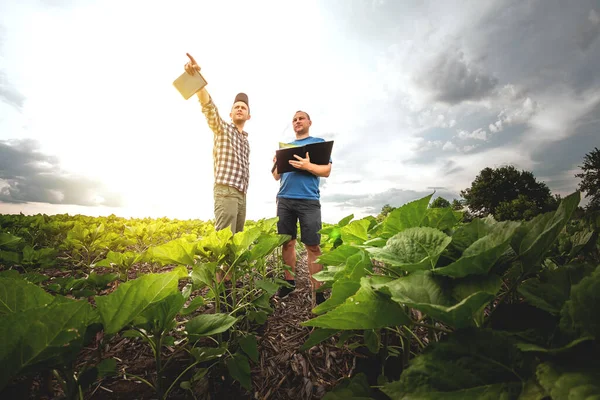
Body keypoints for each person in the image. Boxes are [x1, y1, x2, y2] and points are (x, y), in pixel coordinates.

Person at [184, 53, 251, 234]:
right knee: (224, 242)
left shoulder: (246, 141)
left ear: (248, 116)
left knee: (236, 242)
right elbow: (209, 109)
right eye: (236, 107)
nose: (239, 109)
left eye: (243, 107)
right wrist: (197, 82)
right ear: (230, 114)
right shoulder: (222, 129)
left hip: (241, 195)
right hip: (226, 192)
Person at [272, 110, 332, 305]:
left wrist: (307, 165)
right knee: (287, 243)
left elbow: (326, 171)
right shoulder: (285, 147)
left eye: (301, 118)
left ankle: (319, 290)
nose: (297, 122)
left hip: (308, 200)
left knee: (313, 246)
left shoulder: (318, 143)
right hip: (285, 199)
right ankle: (289, 282)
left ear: (309, 122)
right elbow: (275, 176)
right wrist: (275, 163)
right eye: (294, 120)